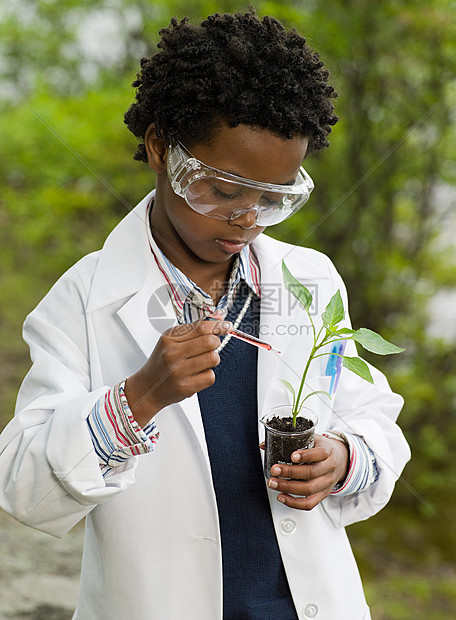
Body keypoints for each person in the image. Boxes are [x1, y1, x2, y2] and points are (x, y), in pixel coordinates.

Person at [0, 11, 410, 620]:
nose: (247, 219)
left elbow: (370, 413)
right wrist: (137, 398)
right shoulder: (83, 299)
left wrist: (344, 457)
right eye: (222, 191)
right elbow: (22, 489)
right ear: (162, 147)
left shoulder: (310, 280)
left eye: (272, 199)